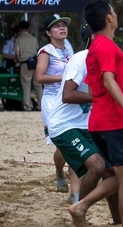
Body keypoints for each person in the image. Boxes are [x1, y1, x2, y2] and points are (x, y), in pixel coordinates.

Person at [47, 22, 123, 225]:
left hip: (88, 125)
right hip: (64, 125)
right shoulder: (81, 58)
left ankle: (117, 220)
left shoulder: (103, 57)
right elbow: (68, 95)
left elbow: (106, 97)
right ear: (94, 37)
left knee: (114, 171)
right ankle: (80, 207)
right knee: (97, 165)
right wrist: (122, 106)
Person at [80, 0, 123, 227]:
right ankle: (81, 206)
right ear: (109, 18)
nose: (115, 14)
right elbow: (108, 80)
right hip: (112, 120)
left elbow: (96, 89)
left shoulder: (93, 47)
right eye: (113, 12)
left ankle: (83, 206)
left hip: (97, 121)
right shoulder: (108, 46)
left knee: (117, 176)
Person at [35, 14, 79, 201]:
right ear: (48, 32)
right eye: (56, 26)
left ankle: (75, 193)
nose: (62, 28)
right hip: (53, 100)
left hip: (68, 99)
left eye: (64, 25)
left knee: (73, 141)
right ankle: (59, 171)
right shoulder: (46, 51)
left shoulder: (68, 47)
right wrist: (65, 79)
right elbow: (40, 77)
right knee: (62, 145)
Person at [14, 20, 42, 111]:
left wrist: (17, 60)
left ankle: (28, 106)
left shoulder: (18, 39)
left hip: (25, 63)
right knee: (38, 85)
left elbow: (17, 54)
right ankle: (41, 105)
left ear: (19, 29)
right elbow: (37, 51)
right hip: (35, 63)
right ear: (28, 28)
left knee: (26, 85)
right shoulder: (34, 39)